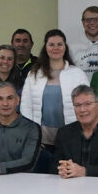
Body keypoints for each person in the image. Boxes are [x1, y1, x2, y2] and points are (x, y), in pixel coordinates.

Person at [20, 29, 89, 173]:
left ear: (65, 47)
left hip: (70, 139)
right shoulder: (34, 73)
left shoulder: (77, 74)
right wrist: (33, 137)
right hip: (41, 139)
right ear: (45, 47)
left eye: (59, 44)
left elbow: (86, 106)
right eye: (51, 44)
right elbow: (25, 107)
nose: (55, 48)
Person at [68, 6, 98, 79]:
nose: (92, 23)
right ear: (83, 22)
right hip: (80, 89)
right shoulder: (71, 47)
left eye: (96, 19)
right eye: (88, 20)